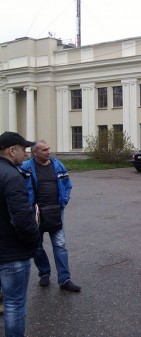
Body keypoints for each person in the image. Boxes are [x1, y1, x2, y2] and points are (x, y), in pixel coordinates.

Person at [21, 140, 81, 293]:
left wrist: (64, 201)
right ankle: (44, 272)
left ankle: (65, 279)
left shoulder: (57, 165)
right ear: (35, 153)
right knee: (37, 246)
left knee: (60, 245)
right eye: (44, 150)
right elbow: (19, 188)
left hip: (55, 211)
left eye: (48, 148)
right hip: (36, 214)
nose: (48, 152)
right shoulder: (26, 168)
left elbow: (68, 184)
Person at [0, 131, 40, 337]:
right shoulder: (12, 176)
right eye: (23, 149)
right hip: (12, 253)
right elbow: (23, 219)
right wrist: (34, 241)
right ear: (11, 150)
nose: (26, 153)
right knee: (14, 305)